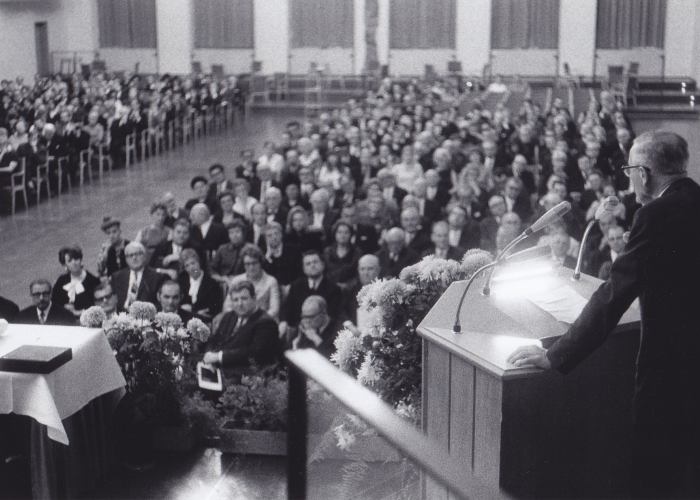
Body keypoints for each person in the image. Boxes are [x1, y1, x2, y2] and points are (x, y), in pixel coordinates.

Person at [508, 131, 700, 497]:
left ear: (643, 173)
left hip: (669, 367)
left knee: (656, 469)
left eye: (629, 170)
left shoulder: (656, 215)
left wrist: (555, 354)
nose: (628, 179)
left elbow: (613, 295)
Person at [203, 280, 280, 380]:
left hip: (247, 375)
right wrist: (209, 357)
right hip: (222, 368)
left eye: (244, 298)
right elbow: (215, 340)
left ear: (254, 298)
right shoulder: (229, 316)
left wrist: (219, 357)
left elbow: (254, 353)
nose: (239, 304)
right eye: (235, 300)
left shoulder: (266, 323)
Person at [227, 246, 280, 320]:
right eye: (247, 264)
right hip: (240, 321)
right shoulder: (236, 280)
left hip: (264, 321)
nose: (251, 267)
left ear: (260, 262)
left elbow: (274, 309)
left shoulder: (271, 281)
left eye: (254, 263)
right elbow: (227, 306)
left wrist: (255, 322)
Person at [111, 242, 164, 311]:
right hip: (121, 316)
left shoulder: (156, 277)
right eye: (130, 255)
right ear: (126, 259)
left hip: (144, 316)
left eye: (138, 254)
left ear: (144, 256)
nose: (134, 258)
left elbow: (159, 304)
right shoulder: (117, 277)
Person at [51, 245, 101, 318]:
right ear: (65, 265)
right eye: (70, 261)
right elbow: (54, 304)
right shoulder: (61, 281)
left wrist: (76, 312)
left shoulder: (92, 280)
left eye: (76, 258)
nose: (74, 263)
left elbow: (97, 307)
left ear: (80, 260)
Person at [177, 248, 222, 322]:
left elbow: (215, 307)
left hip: (204, 319)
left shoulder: (212, 283)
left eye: (193, 263)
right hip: (184, 318)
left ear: (199, 262)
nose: (191, 268)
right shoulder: (182, 281)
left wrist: (193, 310)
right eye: (187, 265)